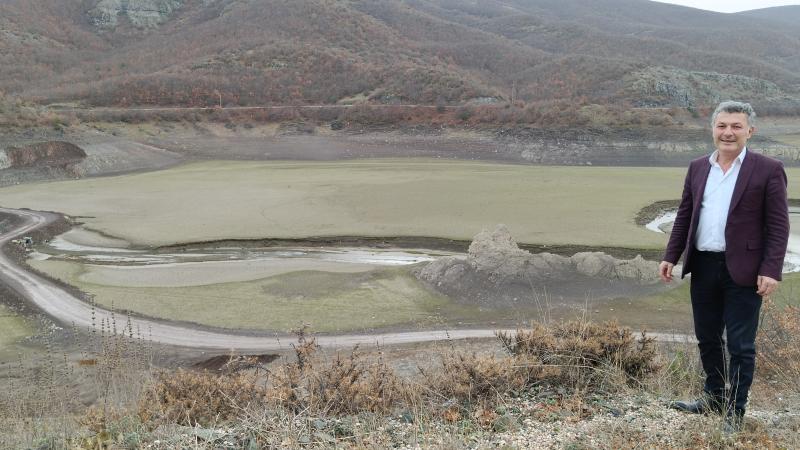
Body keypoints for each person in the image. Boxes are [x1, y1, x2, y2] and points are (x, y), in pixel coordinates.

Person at [659, 101, 789, 433]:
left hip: (744, 270)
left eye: (735, 126)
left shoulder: (768, 169)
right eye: (722, 125)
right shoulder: (698, 167)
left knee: (740, 345)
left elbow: (778, 226)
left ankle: (735, 410)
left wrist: (771, 269)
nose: (728, 132)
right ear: (713, 129)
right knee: (706, 337)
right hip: (703, 264)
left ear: (750, 131)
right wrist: (670, 256)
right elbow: (685, 215)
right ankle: (714, 397)